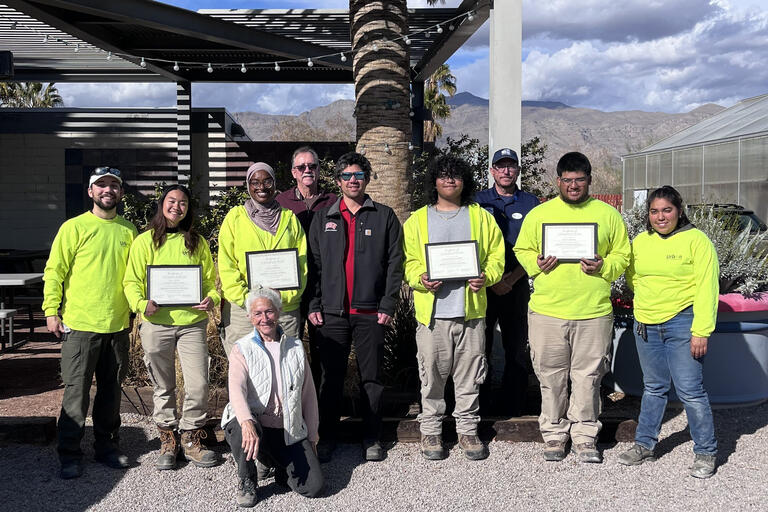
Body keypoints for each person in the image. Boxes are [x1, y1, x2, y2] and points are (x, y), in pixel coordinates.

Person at [514, 152, 630, 463]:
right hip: (548, 311)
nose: (573, 185)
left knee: (588, 377)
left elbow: (623, 254)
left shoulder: (607, 214)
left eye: (579, 179)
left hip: (593, 311)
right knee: (550, 376)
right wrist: (536, 263)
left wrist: (604, 266)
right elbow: (522, 248)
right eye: (567, 180)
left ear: (589, 180)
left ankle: (585, 435)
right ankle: (554, 433)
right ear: (558, 181)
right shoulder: (540, 214)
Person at [403, 154, 505, 461]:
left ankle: (468, 430)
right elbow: (409, 262)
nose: (450, 180)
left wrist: (487, 276)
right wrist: (421, 279)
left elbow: (496, 256)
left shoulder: (481, 217)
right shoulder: (418, 220)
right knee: (431, 376)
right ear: (433, 181)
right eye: (443, 175)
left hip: (470, 313)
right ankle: (431, 430)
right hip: (433, 316)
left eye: (456, 175)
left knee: (470, 376)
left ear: (465, 181)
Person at [307, 151, 403, 462]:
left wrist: (388, 304)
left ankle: (372, 437)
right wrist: (313, 303)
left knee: (371, 379)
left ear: (366, 179)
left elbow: (395, 264)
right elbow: (313, 265)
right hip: (331, 314)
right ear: (338, 181)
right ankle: (327, 437)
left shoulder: (384, 216)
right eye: (346, 175)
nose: (352, 180)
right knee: (330, 379)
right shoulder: (323, 218)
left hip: (371, 313)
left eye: (358, 175)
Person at [42, 166, 138, 479]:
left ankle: (107, 446)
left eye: (113, 185)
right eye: (101, 185)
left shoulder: (129, 231)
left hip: (117, 325)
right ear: (90, 191)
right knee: (76, 393)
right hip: (80, 325)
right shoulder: (73, 227)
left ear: (121, 192)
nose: (107, 190)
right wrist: (51, 310)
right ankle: (69, 453)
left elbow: (136, 276)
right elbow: (54, 271)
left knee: (111, 392)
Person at [619, 185, 719, 478]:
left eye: (667, 210)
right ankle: (645, 445)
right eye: (654, 211)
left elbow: (707, 287)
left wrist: (701, 330)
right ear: (648, 214)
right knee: (653, 388)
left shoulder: (697, 241)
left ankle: (706, 451)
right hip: (646, 325)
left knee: (691, 390)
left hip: (682, 323)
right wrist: (647, 301)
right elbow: (632, 277)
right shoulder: (640, 242)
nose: (660, 217)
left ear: (679, 211)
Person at [123, 185, 220, 470]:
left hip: (192, 324)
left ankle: (191, 436)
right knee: (163, 385)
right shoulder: (144, 242)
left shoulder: (197, 242)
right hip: (156, 323)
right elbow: (131, 281)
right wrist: (141, 304)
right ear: (161, 204)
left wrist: (211, 299)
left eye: (183, 203)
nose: (177, 206)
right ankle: (167, 437)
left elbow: (210, 283)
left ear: (188, 209)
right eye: (171, 201)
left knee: (198, 383)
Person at [222, 287, 323, 507]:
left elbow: (308, 395)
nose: (264, 318)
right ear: (250, 317)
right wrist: (246, 421)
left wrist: (312, 436)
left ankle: (273, 462)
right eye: (257, 313)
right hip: (255, 424)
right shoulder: (242, 348)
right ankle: (247, 480)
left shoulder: (296, 347)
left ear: (278, 312)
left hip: (287, 428)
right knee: (240, 427)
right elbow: (236, 389)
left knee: (314, 486)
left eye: (269, 311)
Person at [218, 162, 308, 356]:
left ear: (274, 184)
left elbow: (301, 264)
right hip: (244, 309)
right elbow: (227, 266)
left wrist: (284, 296)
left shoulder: (289, 218)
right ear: (248, 185)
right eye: (255, 182)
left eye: (267, 181)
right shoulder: (234, 218)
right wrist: (248, 299)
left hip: (284, 308)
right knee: (244, 364)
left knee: (285, 363)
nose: (261, 187)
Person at [476, 147, 540, 416]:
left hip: (517, 284)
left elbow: (537, 246)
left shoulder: (531, 203)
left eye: (511, 166)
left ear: (518, 170)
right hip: (483, 286)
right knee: (481, 347)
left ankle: (514, 406)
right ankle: (482, 405)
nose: (506, 171)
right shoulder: (477, 201)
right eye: (500, 166)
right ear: (492, 171)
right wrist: (492, 280)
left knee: (516, 348)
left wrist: (511, 279)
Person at [275, 146, 337, 383]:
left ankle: (319, 402)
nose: (307, 170)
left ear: (319, 170)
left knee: (322, 351)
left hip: (322, 285)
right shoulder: (280, 203)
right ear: (293, 172)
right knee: (289, 349)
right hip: (290, 285)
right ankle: (293, 398)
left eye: (312, 166)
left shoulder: (333, 202)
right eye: (301, 167)